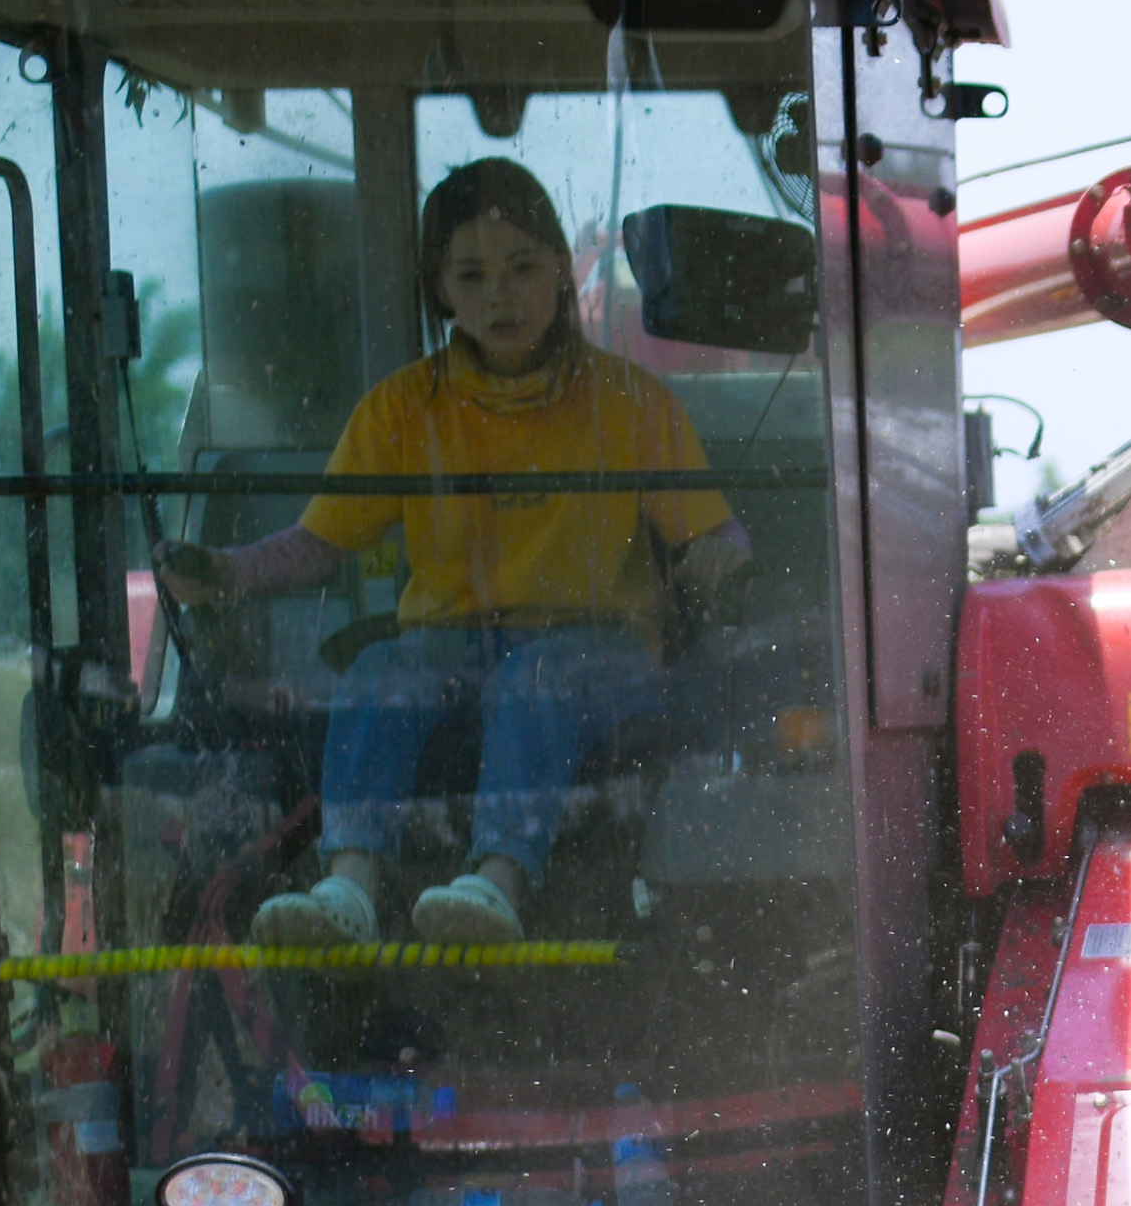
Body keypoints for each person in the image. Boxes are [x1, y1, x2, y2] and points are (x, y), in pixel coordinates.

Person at [166, 156, 751, 948]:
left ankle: (497, 883)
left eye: (521, 268)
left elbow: (713, 532)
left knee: (533, 675)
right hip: (458, 648)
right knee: (379, 672)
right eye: (472, 275)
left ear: (558, 269)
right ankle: (348, 890)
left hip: (606, 651)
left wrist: (721, 554)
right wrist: (229, 572)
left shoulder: (630, 401)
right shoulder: (404, 408)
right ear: (439, 286)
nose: (500, 295)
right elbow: (318, 544)